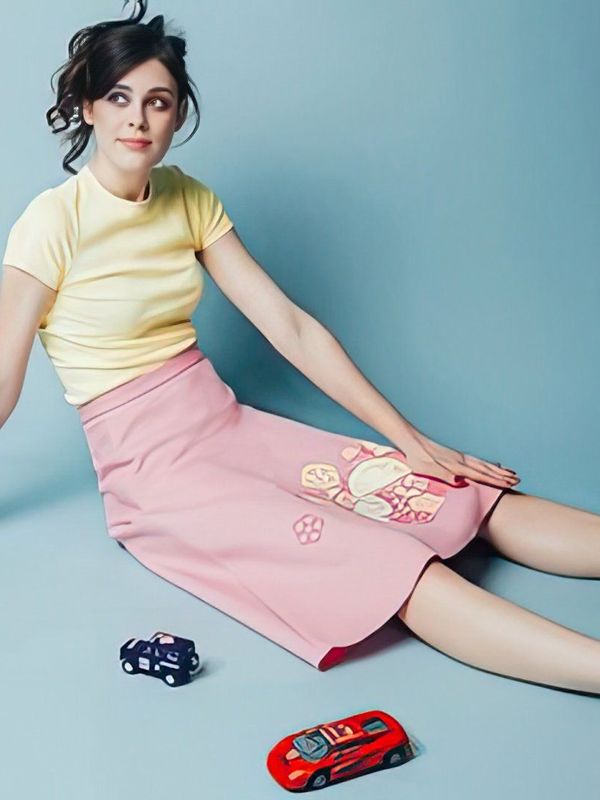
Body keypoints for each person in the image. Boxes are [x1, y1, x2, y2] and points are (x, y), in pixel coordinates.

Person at [1, 0, 598, 694]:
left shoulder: (187, 197)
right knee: (389, 567)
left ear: (176, 114)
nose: (137, 118)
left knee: (450, 491)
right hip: (154, 473)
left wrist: (410, 440)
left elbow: (289, 325)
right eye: (117, 97)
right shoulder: (51, 222)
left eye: (156, 102)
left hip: (228, 424)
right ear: (87, 107)